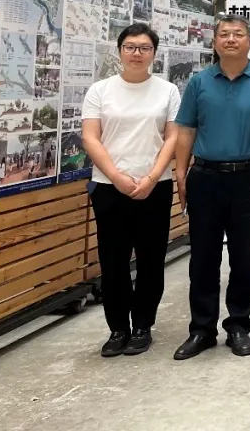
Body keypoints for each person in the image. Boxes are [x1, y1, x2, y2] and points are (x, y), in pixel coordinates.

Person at [172, 13, 250, 360]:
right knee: (202, 257)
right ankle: (201, 329)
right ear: (215, 42)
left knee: (244, 257)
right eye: (224, 34)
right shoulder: (199, 82)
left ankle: (238, 325)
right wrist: (180, 173)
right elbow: (186, 130)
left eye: (238, 34)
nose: (231, 39)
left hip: (249, 178)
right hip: (205, 177)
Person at [81, 23, 180, 357]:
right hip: (109, 187)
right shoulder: (100, 90)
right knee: (113, 262)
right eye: (131, 47)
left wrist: (151, 178)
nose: (137, 53)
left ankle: (142, 327)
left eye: (145, 48)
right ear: (120, 51)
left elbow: (172, 137)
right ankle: (117, 329)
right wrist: (116, 176)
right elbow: (91, 137)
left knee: (151, 260)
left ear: (154, 53)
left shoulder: (167, 91)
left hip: (155, 187)